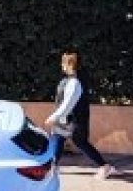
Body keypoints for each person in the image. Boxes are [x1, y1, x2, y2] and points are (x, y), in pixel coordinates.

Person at [46, 49, 114, 177]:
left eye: (63, 63)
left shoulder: (75, 82)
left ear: (70, 64)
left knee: (80, 142)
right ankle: (53, 167)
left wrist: (55, 116)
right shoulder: (67, 80)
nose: (61, 65)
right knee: (58, 137)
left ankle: (105, 166)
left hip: (75, 119)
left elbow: (68, 103)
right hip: (66, 119)